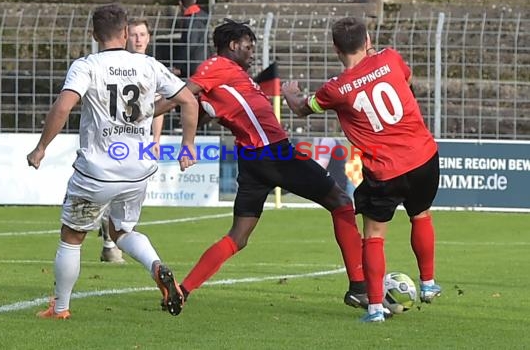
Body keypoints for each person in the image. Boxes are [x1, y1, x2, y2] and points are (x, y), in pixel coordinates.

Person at [175, 19, 367, 311]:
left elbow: (201, 107)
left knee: (238, 237)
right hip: (274, 154)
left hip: (253, 159)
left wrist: (203, 111)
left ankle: (183, 289)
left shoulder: (233, 77)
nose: (252, 53)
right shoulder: (218, 66)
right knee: (340, 201)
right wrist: (152, 110)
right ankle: (358, 287)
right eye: (249, 47)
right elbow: (185, 94)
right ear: (233, 45)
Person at [27, 3, 199, 318]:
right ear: (124, 33)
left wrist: (41, 147)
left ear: (94, 35)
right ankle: (155, 265)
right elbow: (187, 98)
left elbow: (64, 107)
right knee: (121, 230)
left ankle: (61, 308)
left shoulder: (87, 65)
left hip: (97, 171)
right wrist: (188, 145)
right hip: (138, 169)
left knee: (72, 236)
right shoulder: (147, 65)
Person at [282, 16, 442, 323]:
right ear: (368, 40)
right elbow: (405, 81)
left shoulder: (335, 89)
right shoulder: (391, 57)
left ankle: (374, 309)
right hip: (424, 157)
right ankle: (428, 283)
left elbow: (303, 107)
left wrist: (290, 92)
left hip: (386, 169)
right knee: (420, 215)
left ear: (335, 49)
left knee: (374, 235)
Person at [98, 17, 166, 263]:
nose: (138, 39)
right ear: (125, 36)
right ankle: (109, 240)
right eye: (134, 34)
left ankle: (109, 240)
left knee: (125, 198)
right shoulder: (110, 66)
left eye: (143, 34)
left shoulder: (152, 67)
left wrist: (155, 139)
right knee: (108, 194)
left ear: (149, 38)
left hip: (137, 143)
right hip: (108, 142)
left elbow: (158, 108)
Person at [172, 0, 209, 78]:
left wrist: (178, 65)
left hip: (193, 65)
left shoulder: (190, 20)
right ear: (195, 0)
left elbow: (190, 43)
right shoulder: (204, 16)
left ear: (180, 3)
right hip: (205, 60)